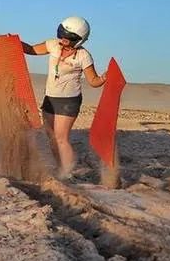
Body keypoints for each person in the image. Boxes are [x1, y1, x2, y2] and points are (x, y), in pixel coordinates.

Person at [22, 16, 107, 180]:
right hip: (50, 98)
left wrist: (105, 77)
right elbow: (31, 49)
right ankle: (60, 168)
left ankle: (67, 172)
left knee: (61, 138)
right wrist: (15, 43)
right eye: (62, 35)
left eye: (68, 37)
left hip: (68, 101)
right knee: (51, 136)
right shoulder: (53, 45)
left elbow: (93, 81)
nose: (63, 40)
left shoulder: (84, 56)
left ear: (78, 39)